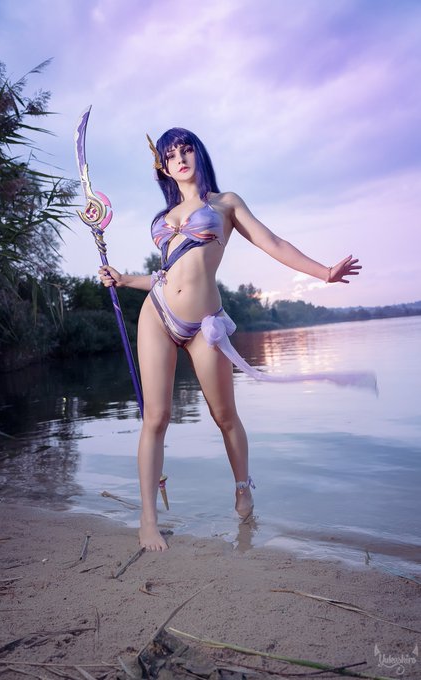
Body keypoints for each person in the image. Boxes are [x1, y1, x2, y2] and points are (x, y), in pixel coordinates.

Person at [99, 128, 363, 552]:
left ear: (198, 154)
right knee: (156, 417)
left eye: (186, 150)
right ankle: (148, 519)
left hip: (205, 324)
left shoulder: (226, 204)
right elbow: (165, 274)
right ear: (163, 167)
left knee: (224, 416)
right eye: (171, 155)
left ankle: (242, 486)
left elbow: (272, 242)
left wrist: (324, 273)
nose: (180, 158)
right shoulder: (164, 215)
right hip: (157, 314)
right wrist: (124, 279)